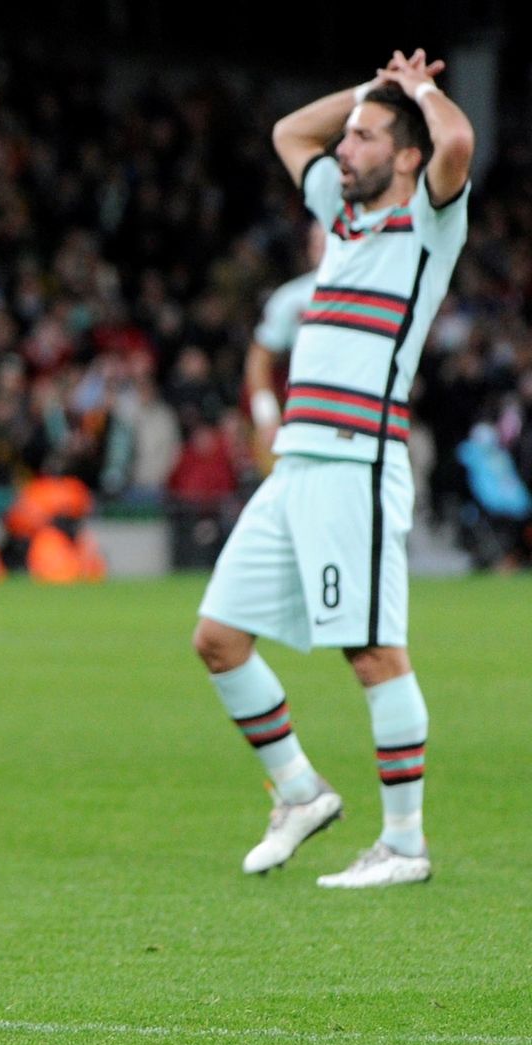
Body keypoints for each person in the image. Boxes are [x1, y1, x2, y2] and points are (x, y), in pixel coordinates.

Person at [192, 49, 473, 888]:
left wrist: (417, 92)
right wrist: (368, 93)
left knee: (374, 653)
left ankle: (405, 844)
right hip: (297, 465)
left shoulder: (427, 224)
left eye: (364, 139)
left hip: (358, 461)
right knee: (217, 638)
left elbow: (457, 142)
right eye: (345, 139)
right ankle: (299, 792)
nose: (342, 149)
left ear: (407, 156)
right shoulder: (343, 221)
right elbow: (288, 131)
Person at [242, 221, 327, 470]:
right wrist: (266, 415)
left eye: (328, 238)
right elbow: (259, 358)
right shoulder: (292, 299)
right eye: (315, 240)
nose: (320, 246)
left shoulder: (370, 293)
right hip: (304, 420)